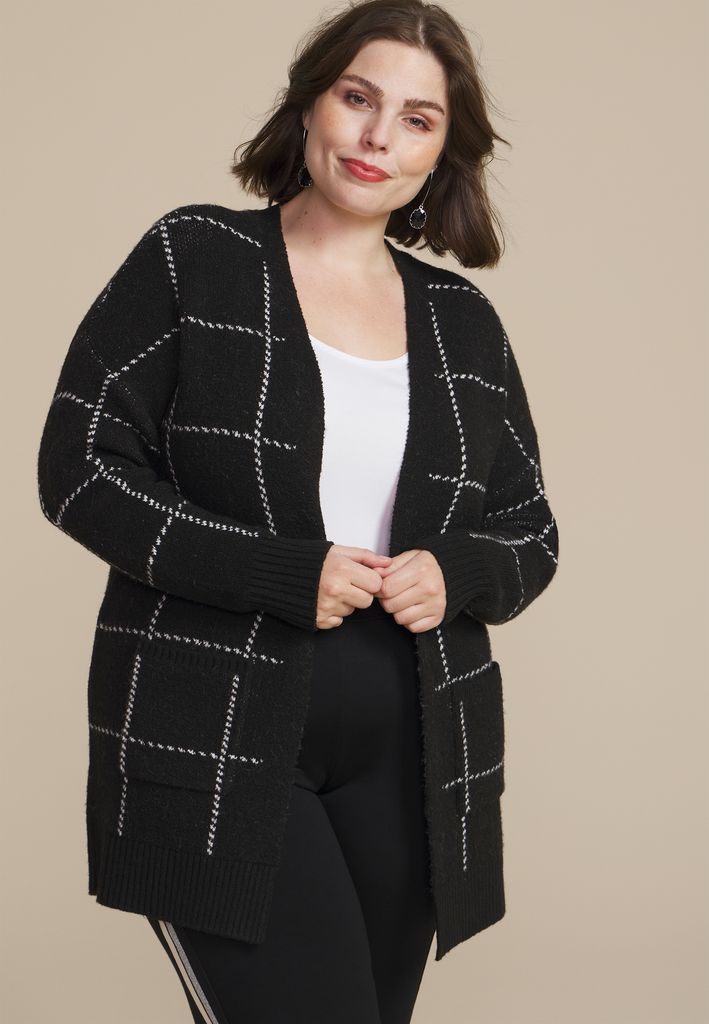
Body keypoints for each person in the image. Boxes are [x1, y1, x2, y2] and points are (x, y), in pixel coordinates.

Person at [37, 1, 559, 1022]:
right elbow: (81, 468)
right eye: (358, 98)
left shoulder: (462, 323)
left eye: (416, 119)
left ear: (442, 153)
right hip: (218, 728)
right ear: (311, 103)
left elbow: (529, 530)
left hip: (416, 748)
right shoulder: (195, 257)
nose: (377, 136)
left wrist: (457, 571)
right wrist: (273, 570)